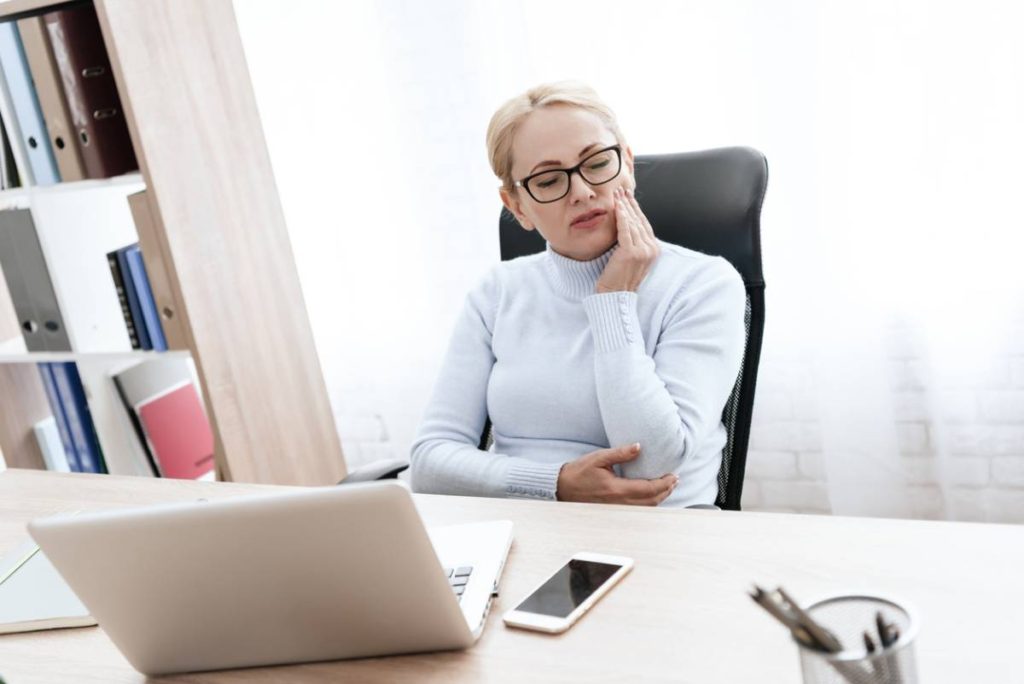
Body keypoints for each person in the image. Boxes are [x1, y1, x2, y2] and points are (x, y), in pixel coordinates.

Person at [410, 82, 746, 507]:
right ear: (516, 207)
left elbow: (653, 465)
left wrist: (613, 300)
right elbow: (430, 462)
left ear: (627, 161)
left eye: (597, 163)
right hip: (524, 529)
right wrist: (555, 482)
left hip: (660, 536)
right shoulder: (496, 293)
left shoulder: (704, 284)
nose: (582, 191)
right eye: (549, 181)